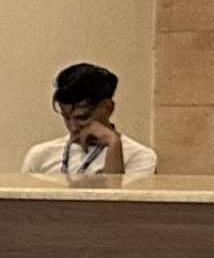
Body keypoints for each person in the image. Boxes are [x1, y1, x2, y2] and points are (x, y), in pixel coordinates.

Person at [23, 59, 158, 177]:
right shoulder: (40, 155)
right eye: (67, 118)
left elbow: (116, 198)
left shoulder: (139, 156)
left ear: (108, 107)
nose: (73, 127)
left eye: (83, 117)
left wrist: (113, 145)